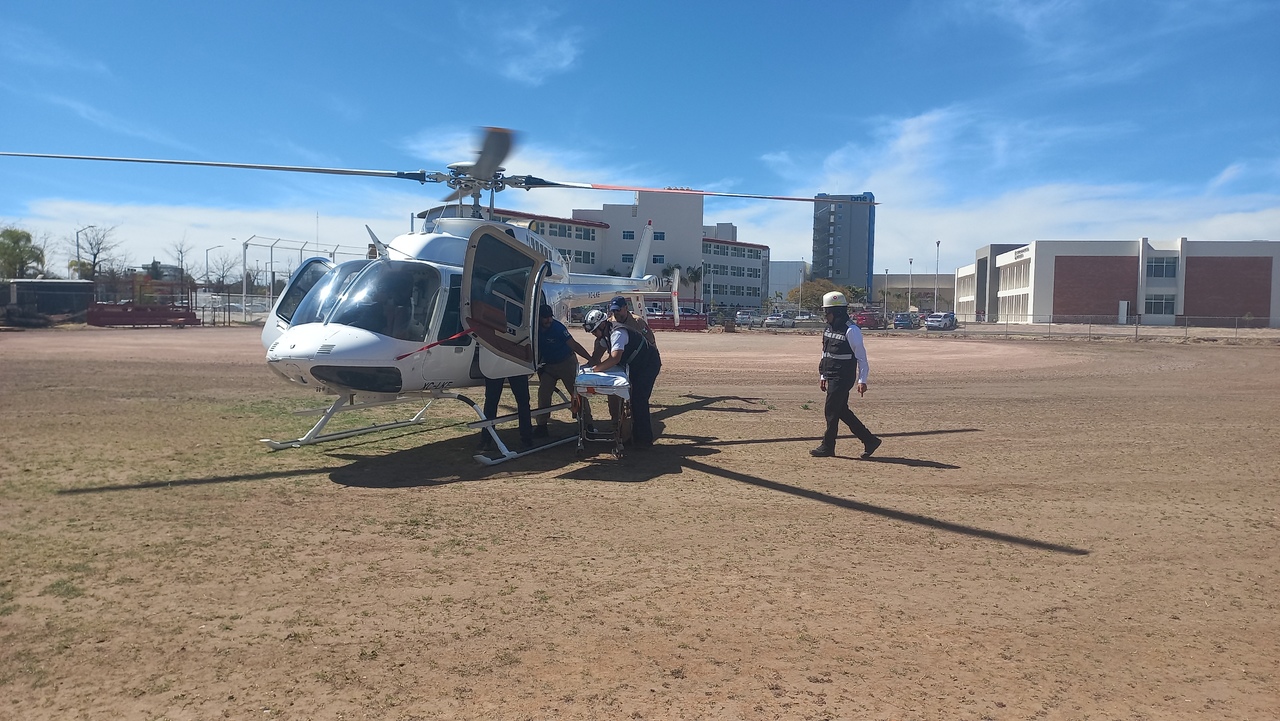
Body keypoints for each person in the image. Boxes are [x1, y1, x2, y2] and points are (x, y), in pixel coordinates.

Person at [811, 291, 882, 459]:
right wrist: (823, 376)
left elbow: (862, 358)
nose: (825, 315)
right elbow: (825, 353)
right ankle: (870, 440)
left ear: (836, 312)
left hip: (843, 377)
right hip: (831, 374)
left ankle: (828, 446)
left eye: (827, 311)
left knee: (831, 410)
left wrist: (862, 380)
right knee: (841, 410)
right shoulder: (829, 328)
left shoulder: (851, 330)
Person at [605, 296, 662, 447]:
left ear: (626, 308)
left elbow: (651, 342)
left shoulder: (637, 322)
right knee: (616, 394)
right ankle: (619, 429)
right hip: (626, 363)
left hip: (646, 364)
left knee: (638, 399)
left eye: (618, 310)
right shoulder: (610, 323)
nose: (616, 314)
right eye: (613, 311)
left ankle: (643, 439)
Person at [533, 304, 593, 437]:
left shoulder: (558, 328)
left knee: (577, 393)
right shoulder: (534, 329)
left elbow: (574, 345)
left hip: (566, 363)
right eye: (545, 317)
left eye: (550, 317)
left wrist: (590, 358)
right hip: (549, 366)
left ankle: (588, 424)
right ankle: (542, 426)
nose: (548, 320)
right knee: (543, 394)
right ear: (538, 318)